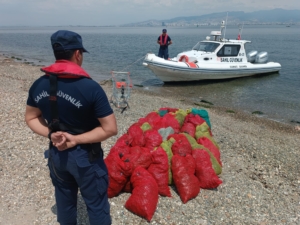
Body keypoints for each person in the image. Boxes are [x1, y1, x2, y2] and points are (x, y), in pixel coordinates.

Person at [25, 30, 117, 225]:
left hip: (57, 154)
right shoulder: (90, 88)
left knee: (65, 201)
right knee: (96, 204)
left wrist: (52, 134)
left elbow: (31, 117)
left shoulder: (39, 85)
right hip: (86, 157)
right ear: (77, 54)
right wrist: (75, 139)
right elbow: (110, 129)